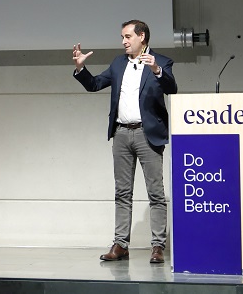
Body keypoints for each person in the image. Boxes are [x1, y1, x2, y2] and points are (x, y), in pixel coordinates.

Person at [72, 20, 178, 264]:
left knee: (156, 193)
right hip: (121, 134)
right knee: (122, 192)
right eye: (122, 37)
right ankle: (121, 244)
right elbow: (95, 84)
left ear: (142, 36)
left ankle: (157, 246)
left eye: (128, 36)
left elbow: (172, 88)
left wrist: (157, 71)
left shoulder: (161, 61)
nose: (124, 41)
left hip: (147, 134)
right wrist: (81, 69)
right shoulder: (119, 63)